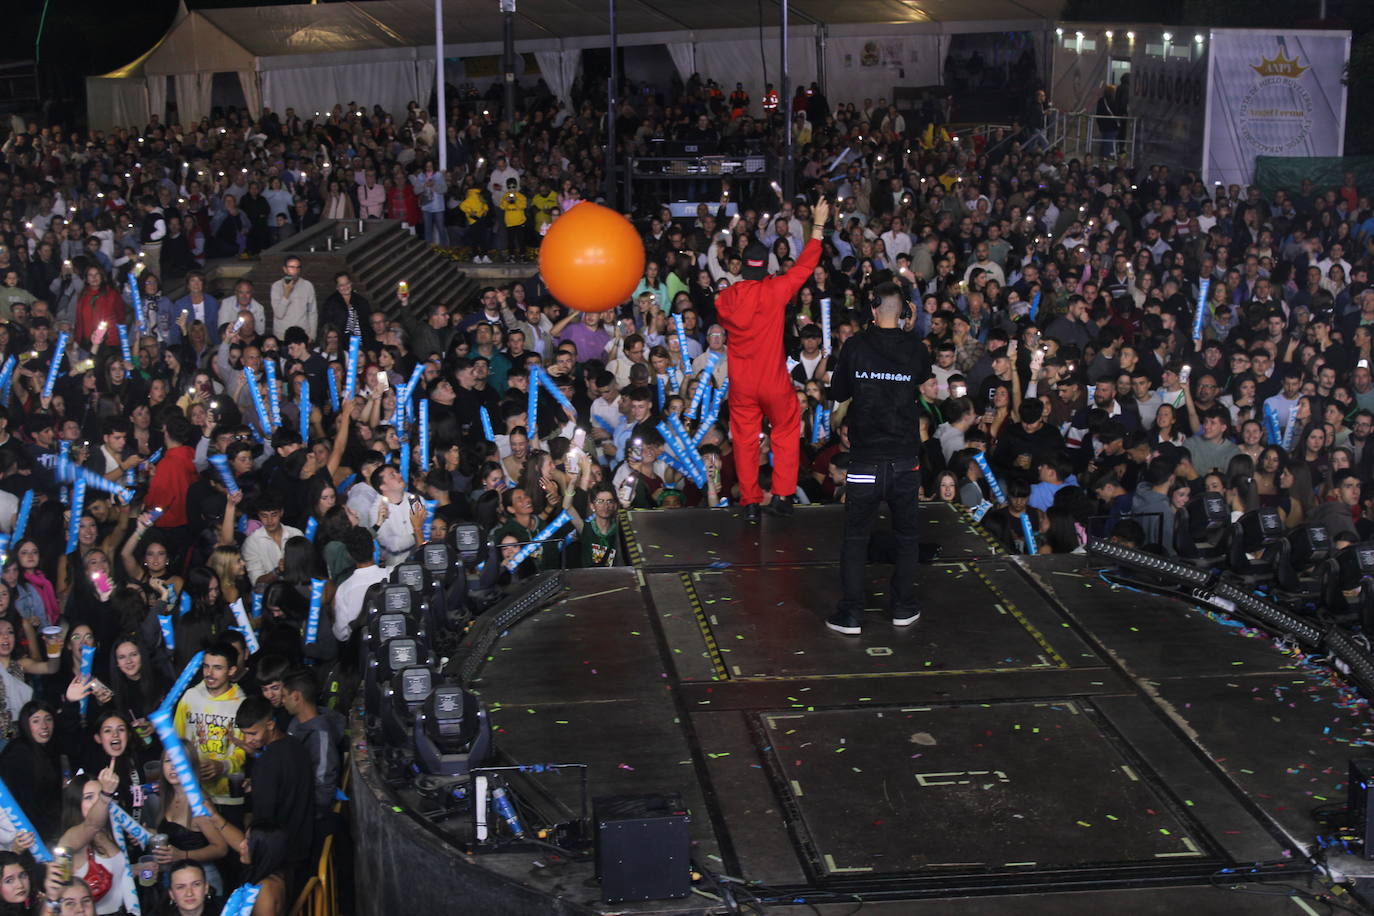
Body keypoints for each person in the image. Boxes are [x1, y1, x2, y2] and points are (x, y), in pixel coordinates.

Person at [715, 195, 831, 522]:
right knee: (786, 429)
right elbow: (805, 266)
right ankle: (782, 496)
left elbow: (725, 308)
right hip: (773, 382)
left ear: (741, 265)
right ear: (766, 266)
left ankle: (750, 502)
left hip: (742, 385)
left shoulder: (725, 298)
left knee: (745, 442)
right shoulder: (775, 290)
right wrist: (818, 226)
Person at [824, 283, 930, 635]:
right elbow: (923, 378)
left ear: (872, 310)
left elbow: (839, 391)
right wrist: (909, 330)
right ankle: (902, 606)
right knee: (906, 536)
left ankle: (852, 614)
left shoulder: (855, 346)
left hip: (865, 461)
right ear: (904, 312)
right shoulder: (914, 347)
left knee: (856, 538)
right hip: (904, 461)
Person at [235, 696, 314, 879]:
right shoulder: (296, 745)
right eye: (244, 734)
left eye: (253, 733)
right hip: (304, 845)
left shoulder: (266, 764)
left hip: (280, 859)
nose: (247, 740)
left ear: (270, 725)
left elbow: (262, 824)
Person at [172, 642, 247, 825]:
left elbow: (245, 750)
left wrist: (222, 766)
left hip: (227, 797)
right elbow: (176, 742)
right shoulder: (190, 697)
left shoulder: (241, 703)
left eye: (217, 668)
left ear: (232, 670)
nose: (209, 673)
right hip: (192, 793)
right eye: (206, 666)